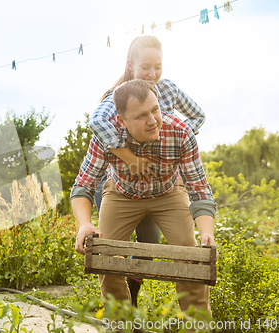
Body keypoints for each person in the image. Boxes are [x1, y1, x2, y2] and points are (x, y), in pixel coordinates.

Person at [71, 79, 216, 318]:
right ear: (121, 120)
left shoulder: (180, 133)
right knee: (106, 256)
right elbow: (83, 186)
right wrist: (84, 224)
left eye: (155, 109)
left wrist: (206, 233)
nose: (153, 120)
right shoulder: (105, 138)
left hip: (168, 194)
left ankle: (198, 324)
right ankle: (122, 323)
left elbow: (199, 189)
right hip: (122, 194)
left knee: (191, 256)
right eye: (141, 116)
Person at [89, 35, 206, 306]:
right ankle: (122, 312)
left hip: (163, 185)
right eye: (145, 67)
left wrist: (176, 137)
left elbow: (198, 115)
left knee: (147, 250)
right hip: (123, 184)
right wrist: (127, 154)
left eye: (158, 66)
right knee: (112, 252)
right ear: (130, 66)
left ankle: (135, 299)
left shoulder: (168, 89)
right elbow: (96, 121)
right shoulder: (118, 95)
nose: (152, 73)